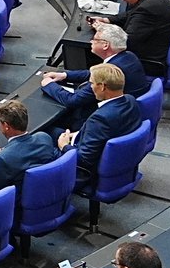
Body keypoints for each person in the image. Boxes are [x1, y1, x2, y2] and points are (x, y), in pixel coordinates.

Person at [58, 65, 143, 194]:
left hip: (87, 172)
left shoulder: (100, 118)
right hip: (117, 161)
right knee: (54, 132)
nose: (90, 87)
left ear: (102, 86)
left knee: (44, 141)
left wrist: (64, 146)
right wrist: (79, 133)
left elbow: (84, 160)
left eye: (91, 83)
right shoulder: (130, 101)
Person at [0, 98, 60, 193]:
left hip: (20, 200)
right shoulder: (44, 138)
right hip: (48, 189)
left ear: (6, 126)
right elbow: (24, 157)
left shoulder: (1, 159)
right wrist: (1, 150)